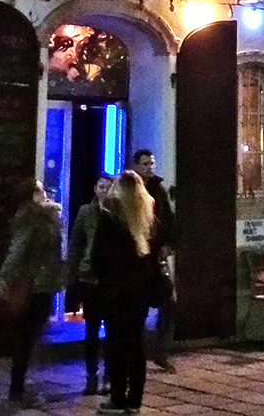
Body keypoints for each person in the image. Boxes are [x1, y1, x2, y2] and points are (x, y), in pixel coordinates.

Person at [88, 170, 160, 413]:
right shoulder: (147, 216)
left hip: (115, 292)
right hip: (139, 292)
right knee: (136, 346)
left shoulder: (110, 216)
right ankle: (135, 401)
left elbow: (98, 256)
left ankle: (118, 398)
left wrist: (100, 278)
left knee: (116, 345)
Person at [0, 178, 64, 405]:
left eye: (42, 188)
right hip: (33, 284)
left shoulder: (46, 215)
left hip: (44, 283)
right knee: (25, 338)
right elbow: (18, 250)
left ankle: (19, 387)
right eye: (37, 190)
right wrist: (4, 278)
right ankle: (17, 390)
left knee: (30, 336)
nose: (43, 192)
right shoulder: (29, 218)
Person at [68, 174, 114, 396]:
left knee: (113, 331)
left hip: (112, 279)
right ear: (95, 189)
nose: (104, 191)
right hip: (90, 277)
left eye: (108, 187)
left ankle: (109, 375)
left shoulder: (118, 212)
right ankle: (91, 375)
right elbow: (77, 242)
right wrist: (73, 272)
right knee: (92, 330)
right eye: (101, 186)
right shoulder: (86, 212)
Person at [131, 149, 176, 371]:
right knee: (137, 307)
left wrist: (168, 244)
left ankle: (160, 350)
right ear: (136, 165)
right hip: (138, 257)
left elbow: (167, 218)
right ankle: (134, 351)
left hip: (156, 256)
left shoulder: (158, 189)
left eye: (152, 163)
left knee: (168, 301)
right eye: (145, 163)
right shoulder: (130, 188)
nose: (149, 167)